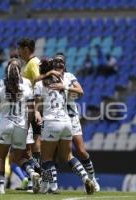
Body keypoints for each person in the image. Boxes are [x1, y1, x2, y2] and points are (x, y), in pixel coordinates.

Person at [34, 58, 95, 195]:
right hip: (67, 122)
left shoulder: (39, 84)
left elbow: (38, 104)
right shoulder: (62, 81)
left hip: (51, 121)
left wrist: (37, 113)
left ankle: (53, 187)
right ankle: (86, 178)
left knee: (46, 158)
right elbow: (78, 92)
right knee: (68, 156)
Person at [0, 58, 40, 194]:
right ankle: (32, 173)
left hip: (5, 124)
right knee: (19, 157)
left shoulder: (2, 88)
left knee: (0, 157)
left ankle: (0, 187)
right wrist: (27, 125)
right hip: (21, 126)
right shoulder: (26, 88)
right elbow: (32, 110)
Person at [50, 53, 100, 191]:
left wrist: (64, 87)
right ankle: (52, 184)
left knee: (81, 150)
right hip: (55, 118)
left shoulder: (69, 77)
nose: (58, 64)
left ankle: (92, 178)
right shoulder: (48, 78)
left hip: (71, 117)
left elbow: (80, 91)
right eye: (56, 61)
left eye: (60, 62)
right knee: (55, 153)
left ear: (64, 64)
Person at [17, 38, 42, 171]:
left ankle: (39, 173)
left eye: (19, 49)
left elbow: (38, 80)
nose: (18, 52)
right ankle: (37, 175)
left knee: (34, 141)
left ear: (26, 49)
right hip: (32, 105)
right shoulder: (30, 63)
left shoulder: (32, 63)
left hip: (33, 105)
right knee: (32, 143)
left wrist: (37, 109)